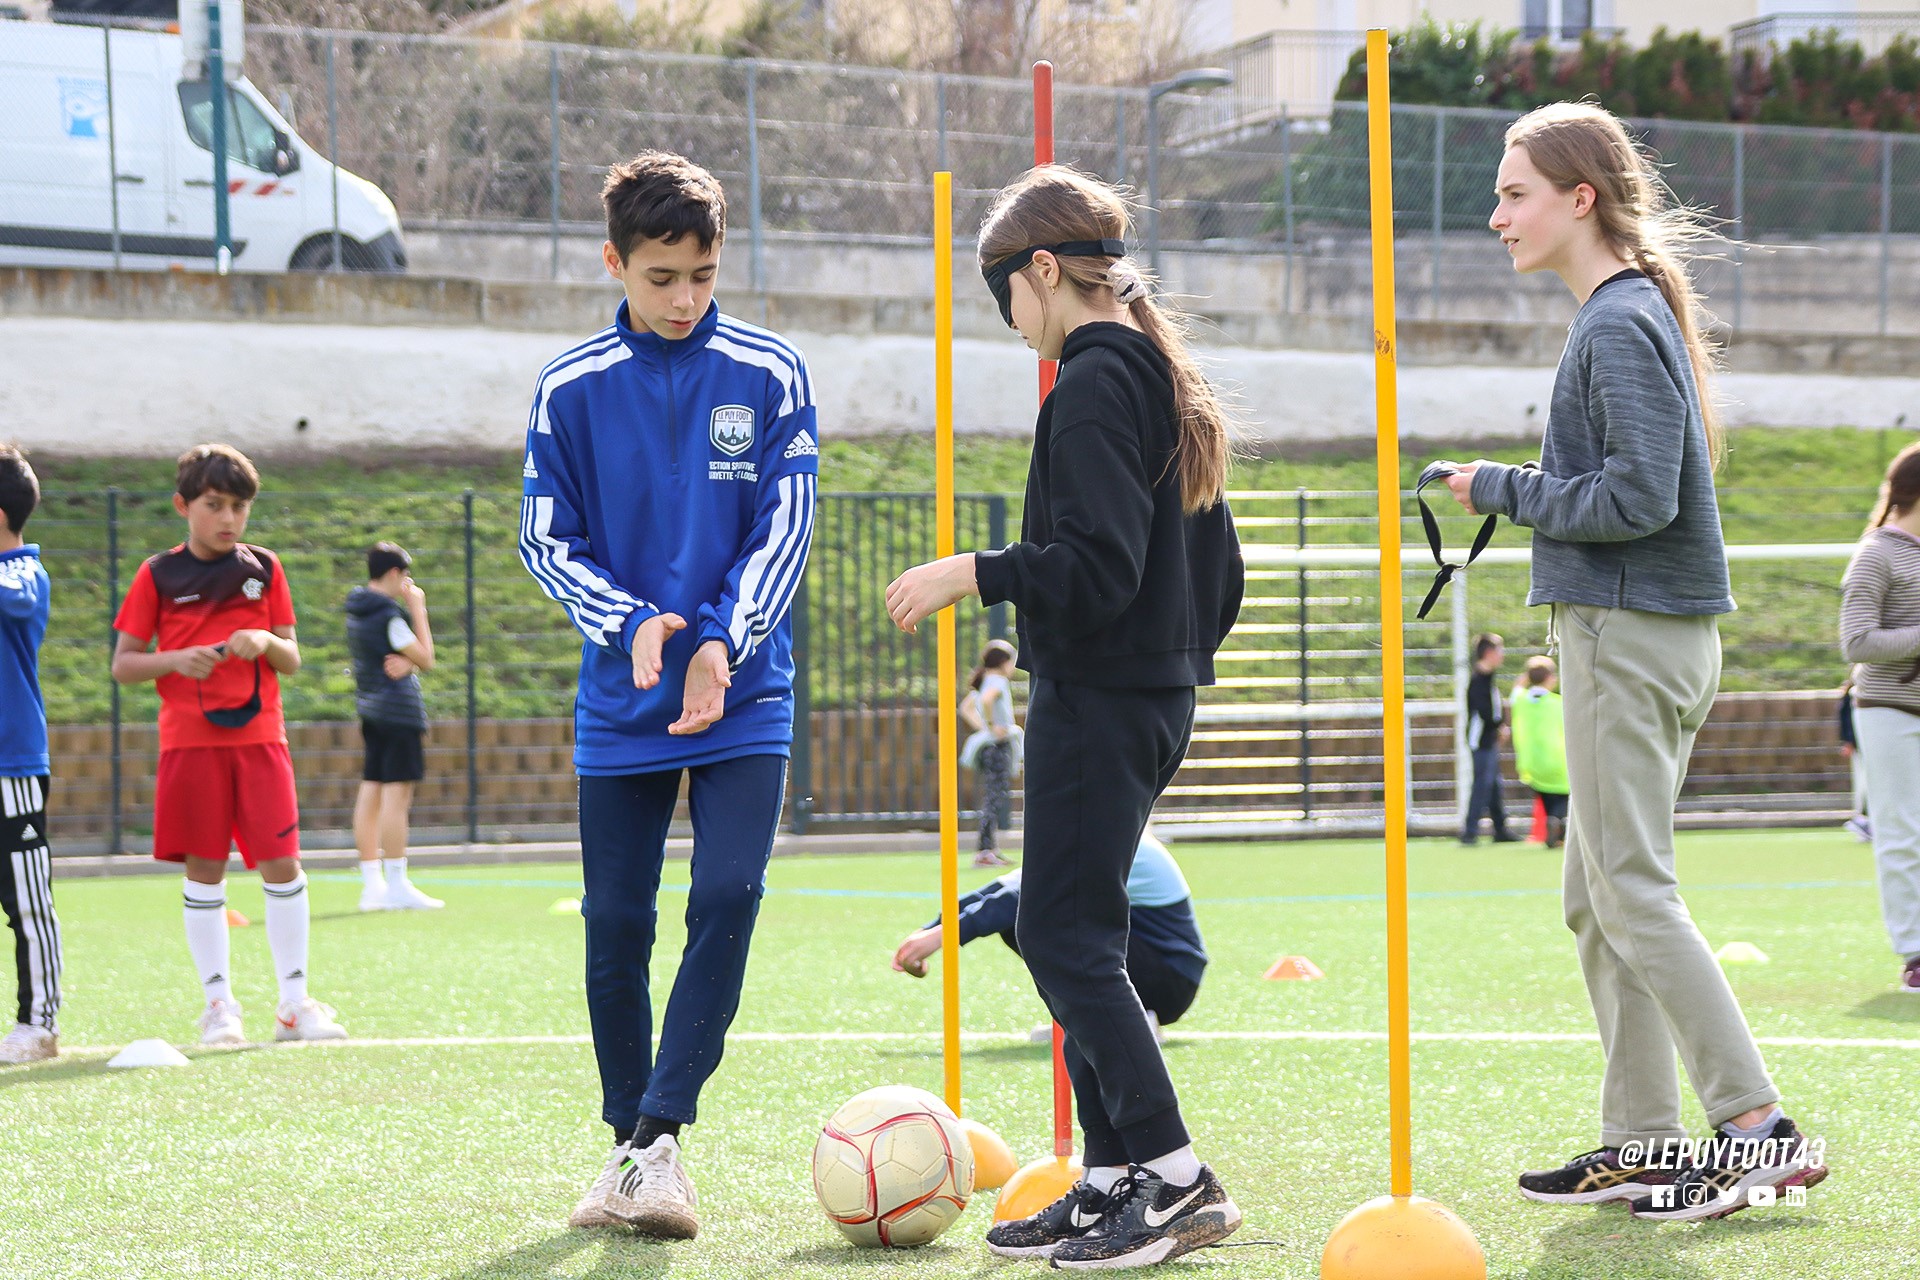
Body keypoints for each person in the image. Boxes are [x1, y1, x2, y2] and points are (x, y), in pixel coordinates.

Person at [1440, 102, 1824, 1221]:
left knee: (1632, 893)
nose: (1496, 212)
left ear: (1580, 199)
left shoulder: (1614, 322)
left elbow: (1637, 499)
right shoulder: (1624, 313)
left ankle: (1756, 1126)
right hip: (1637, 633)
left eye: (1514, 192)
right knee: (1597, 899)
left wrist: (1498, 486)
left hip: (1628, 635)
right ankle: (1646, 1143)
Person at [885, 164, 1244, 1269]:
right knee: (1072, 929)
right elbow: (1219, 570)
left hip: (1105, 696)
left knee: (1064, 935)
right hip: (1143, 691)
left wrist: (972, 571)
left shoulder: (1093, 380)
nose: (1012, 326)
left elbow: (1094, 564)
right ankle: (1108, 1177)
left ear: (1042, 271)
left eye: (1009, 300)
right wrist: (1169, 661)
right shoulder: (1154, 375)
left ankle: (1175, 1175)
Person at [517, 150, 817, 1239]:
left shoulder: (773, 372)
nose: (684, 298)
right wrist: (634, 623)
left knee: (729, 895)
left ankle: (656, 1136)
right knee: (615, 924)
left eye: (700, 272)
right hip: (622, 700)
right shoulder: (569, 387)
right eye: (660, 277)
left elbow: (786, 530)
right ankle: (632, 1145)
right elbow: (545, 540)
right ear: (614, 263)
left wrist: (721, 642)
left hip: (743, 691)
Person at [110, 444, 347, 1047]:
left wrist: (263, 638)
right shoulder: (157, 574)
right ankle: (220, 1006)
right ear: (182, 506)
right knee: (205, 870)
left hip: (261, 739)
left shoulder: (264, 567)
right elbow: (124, 665)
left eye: (239, 507)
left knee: (282, 864)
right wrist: (174, 658)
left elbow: (292, 657)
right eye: (214, 505)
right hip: (189, 747)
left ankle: (294, 1004)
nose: (228, 519)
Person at [891, 830, 1206, 1048]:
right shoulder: (1077, 833)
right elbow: (999, 890)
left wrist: (941, 938)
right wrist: (926, 933)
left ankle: (1128, 1020)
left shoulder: (1116, 839)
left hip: (1169, 979)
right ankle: (1084, 1019)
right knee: (1023, 919)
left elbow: (1022, 900)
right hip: (1144, 958)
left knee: (1037, 915)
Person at [1839, 440, 1920, 996]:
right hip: (1892, 711)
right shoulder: (1877, 553)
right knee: (1902, 833)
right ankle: (1915, 952)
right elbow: (1857, 642)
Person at [0, 445, 63, 1066]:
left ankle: (37, 1024)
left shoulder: (24, 573)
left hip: (10, 767)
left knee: (26, 900)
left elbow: (14, 597)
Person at [345, 541, 443, 912]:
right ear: (392, 574)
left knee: (371, 791)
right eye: (404, 577)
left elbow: (401, 658)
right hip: (399, 713)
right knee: (396, 798)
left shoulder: (356, 609)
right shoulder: (389, 613)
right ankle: (398, 883)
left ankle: (372, 885)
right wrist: (418, 607)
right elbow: (426, 655)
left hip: (371, 709)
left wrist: (409, 663)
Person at [959, 638, 1021, 868]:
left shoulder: (986, 679)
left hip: (991, 745)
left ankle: (990, 848)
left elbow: (966, 707)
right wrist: (992, 725)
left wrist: (984, 727)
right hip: (998, 746)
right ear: (1003, 662)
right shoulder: (997, 680)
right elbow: (985, 701)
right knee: (994, 798)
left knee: (993, 797)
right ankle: (985, 850)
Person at [1461, 632, 1518, 845]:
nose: (1502, 655)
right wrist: (1498, 727)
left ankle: (1500, 828)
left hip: (1489, 739)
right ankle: (1469, 831)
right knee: (1482, 785)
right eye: (1499, 650)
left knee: (1494, 785)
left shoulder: (1488, 677)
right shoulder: (1478, 680)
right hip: (1481, 741)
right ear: (1488, 653)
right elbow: (1484, 712)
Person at [1510, 655, 1569, 848]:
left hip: (1532, 760)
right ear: (1551, 677)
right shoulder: (1558, 703)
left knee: (1545, 794)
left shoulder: (1521, 700)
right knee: (1563, 796)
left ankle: (1551, 824)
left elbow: (1517, 689)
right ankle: (1558, 822)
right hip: (1558, 758)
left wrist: (1526, 678)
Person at [1838, 680, 1871, 843]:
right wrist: (1849, 740)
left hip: (1870, 742)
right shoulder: (1855, 689)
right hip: (1863, 745)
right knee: (1865, 783)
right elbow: (1846, 715)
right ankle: (1864, 820)